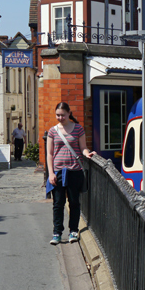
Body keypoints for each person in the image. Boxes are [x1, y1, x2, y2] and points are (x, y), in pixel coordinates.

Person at [46, 102, 96, 245]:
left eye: (62, 115)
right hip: (58, 172)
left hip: (75, 170)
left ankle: (73, 230)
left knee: (74, 202)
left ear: (69, 113)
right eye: (57, 115)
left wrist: (88, 154)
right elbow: (49, 154)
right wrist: (51, 173)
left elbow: (83, 147)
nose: (60, 117)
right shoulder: (52, 131)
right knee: (58, 203)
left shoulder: (78, 129)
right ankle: (57, 233)